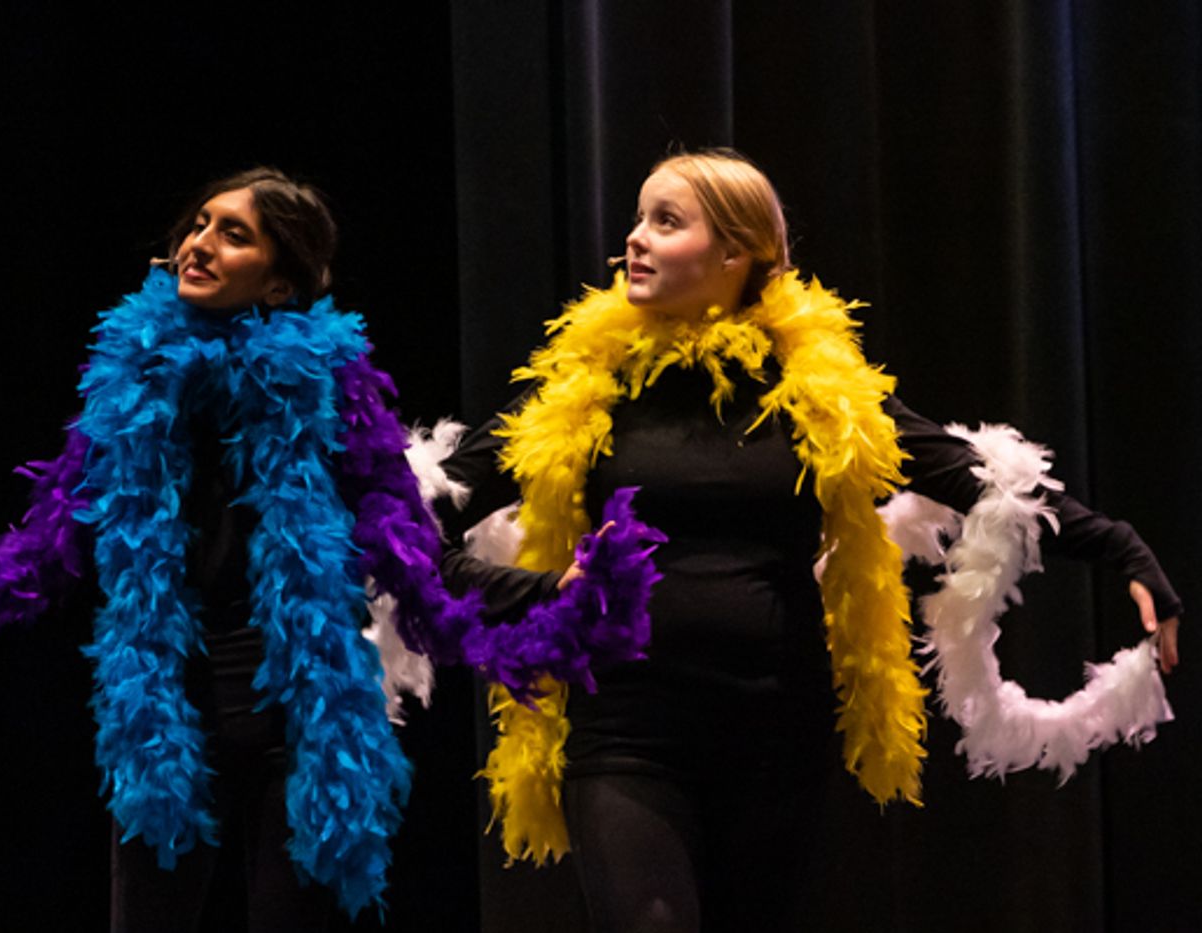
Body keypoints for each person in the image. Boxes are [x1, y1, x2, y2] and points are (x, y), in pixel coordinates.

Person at [432, 148, 1182, 933]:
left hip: (773, 729)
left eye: (665, 221)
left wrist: (1123, 547)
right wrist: (541, 593)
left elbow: (985, 481)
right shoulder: (580, 388)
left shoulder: (820, 391)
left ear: (735, 253)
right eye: (636, 220)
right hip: (626, 730)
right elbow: (413, 521)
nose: (634, 241)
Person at [0, 167, 450, 932]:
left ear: (279, 286)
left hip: (302, 730)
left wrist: (558, 603)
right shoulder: (130, 391)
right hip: (165, 722)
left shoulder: (332, 389)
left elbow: (420, 561)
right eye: (200, 224)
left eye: (233, 234)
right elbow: (31, 560)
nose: (198, 244)